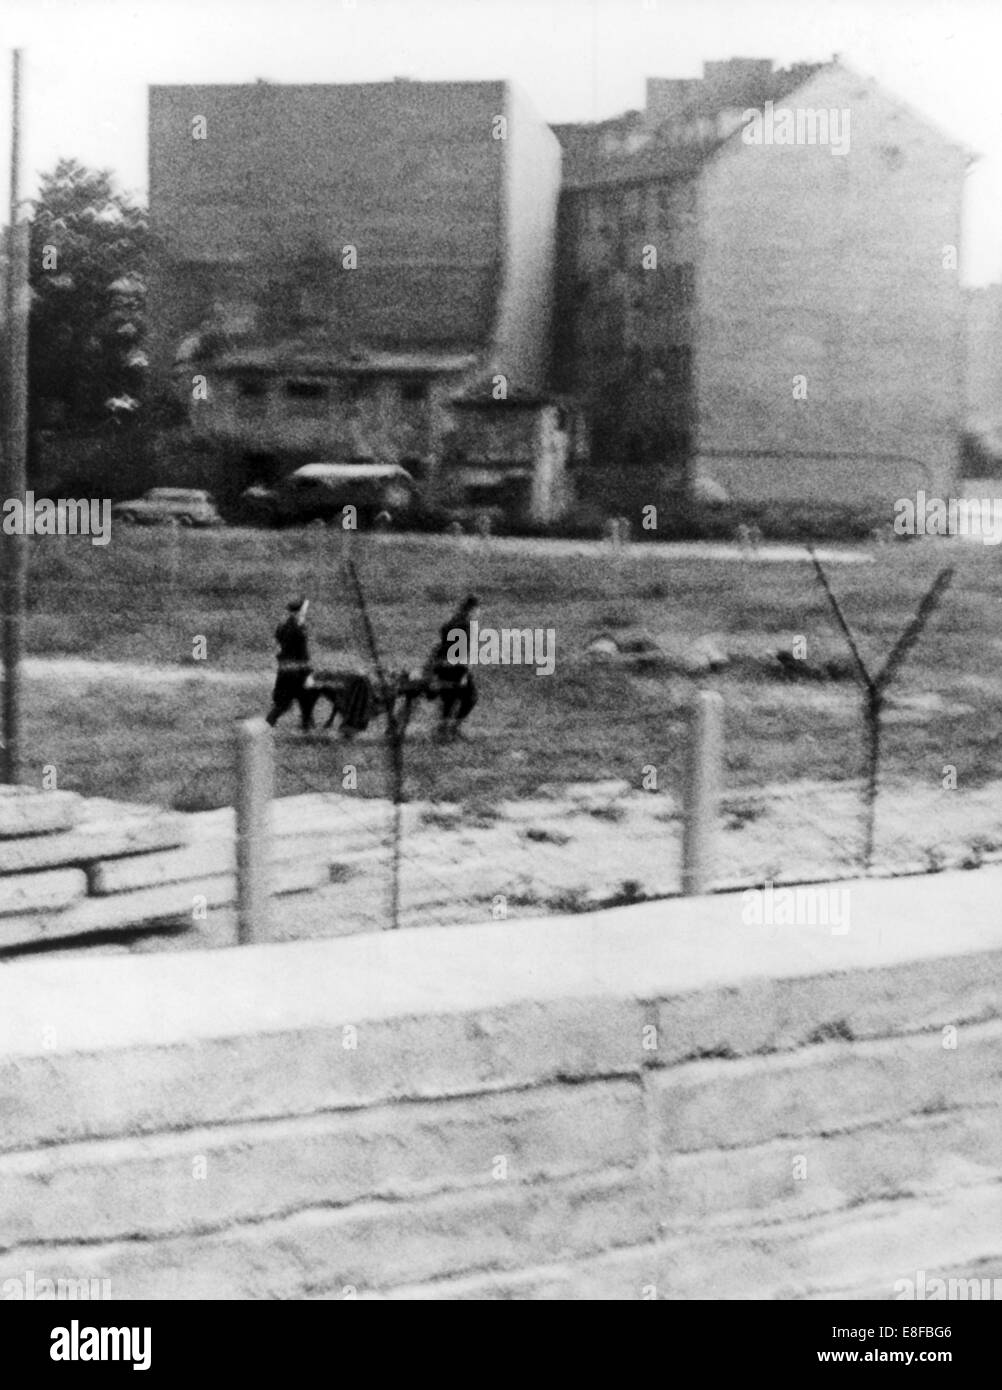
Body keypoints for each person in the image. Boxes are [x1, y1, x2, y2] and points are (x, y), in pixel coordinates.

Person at [427, 593, 480, 740]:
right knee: (470, 697)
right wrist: (464, 674)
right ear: (472, 610)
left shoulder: (451, 623)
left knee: (449, 699)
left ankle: (443, 730)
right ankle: (453, 728)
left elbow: (441, 645)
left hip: (442, 666)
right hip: (456, 667)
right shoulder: (468, 627)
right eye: (475, 611)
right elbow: (464, 653)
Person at [265, 597, 313, 729]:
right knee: (302, 698)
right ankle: (304, 726)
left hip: (284, 669)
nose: (305, 611)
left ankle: (306, 725)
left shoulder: (282, 626)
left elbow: (278, 645)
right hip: (297, 671)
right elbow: (303, 654)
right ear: (298, 611)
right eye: (304, 609)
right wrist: (308, 674)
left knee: (291, 700)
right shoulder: (299, 629)